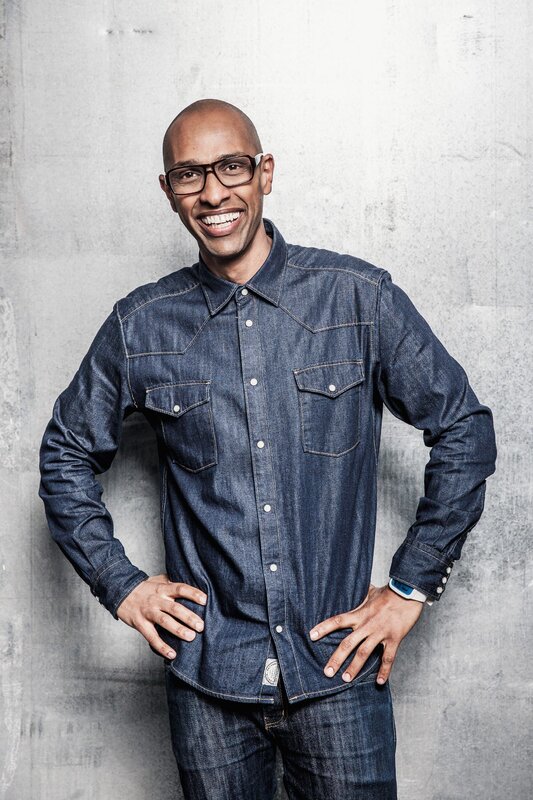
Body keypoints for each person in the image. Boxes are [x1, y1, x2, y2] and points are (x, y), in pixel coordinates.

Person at [38, 98, 497, 800]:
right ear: (168, 190)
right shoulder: (141, 325)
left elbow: (464, 427)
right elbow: (66, 453)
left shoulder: (357, 299)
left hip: (338, 673)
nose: (212, 192)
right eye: (189, 174)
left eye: (231, 167)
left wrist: (411, 585)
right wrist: (120, 584)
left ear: (265, 173)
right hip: (208, 680)